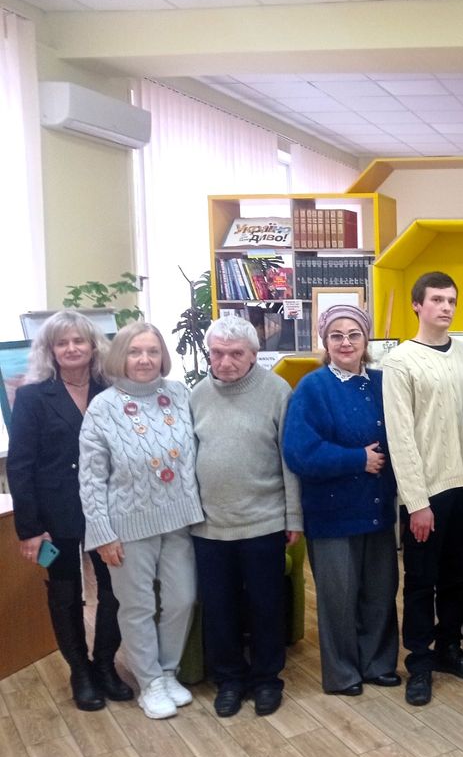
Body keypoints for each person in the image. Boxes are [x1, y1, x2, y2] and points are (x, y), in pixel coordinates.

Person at [8, 311, 134, 711]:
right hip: (54, 516)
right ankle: (80, 671)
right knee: (64, 593)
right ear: (50, 350)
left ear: (93, 345)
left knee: (114, 590)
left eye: (79, 340)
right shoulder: (32, 396)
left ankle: (105, 666)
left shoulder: (112, 389)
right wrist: (30, 529)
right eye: (62, 343)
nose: (71, 348)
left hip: (110, 510)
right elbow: (20, 465)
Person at [80, 322, 204, 720]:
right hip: (128, 526)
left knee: (182, 599)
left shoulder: (179, 394)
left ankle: (167, 672)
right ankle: (149, 682)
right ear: (122, 356)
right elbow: (91, 478)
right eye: (135, 352)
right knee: (137, 607)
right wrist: (101, 533)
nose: (145, 359)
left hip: (180, 520)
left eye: (152, 351)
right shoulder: (103, 407)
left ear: (162, 356)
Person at [282, 304, 400, 697]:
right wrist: (356, 460)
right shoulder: (312, 387)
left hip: (377, 508)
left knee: (380, 592)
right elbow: (299, 452)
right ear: (325, 342)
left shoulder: (383, 382)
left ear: (366, 340)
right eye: (336, 335)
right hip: (332, 513)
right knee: (338, 598)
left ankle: (379, 663)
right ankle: (343, 672)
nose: (346, 342)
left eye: (353, 334)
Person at [382, 272, 463, 708]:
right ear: (417, 306)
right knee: (421, 581)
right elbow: (400, 436)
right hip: (426, 493)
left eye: (451, 300)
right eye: (437, 300)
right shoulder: (400, 361)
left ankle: (449, 648)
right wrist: (416, 503)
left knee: (457, 576)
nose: (446, 308)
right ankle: (420, 662)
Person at [190, 316, 302, 718]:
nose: (225, 362)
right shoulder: (197, 395)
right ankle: (229, 680)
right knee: (219, 607)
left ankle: (267, 679)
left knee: (265, 605)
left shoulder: (277, 391)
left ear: (254, 354)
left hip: (264, 520)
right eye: (217, 353)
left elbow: (289, 460)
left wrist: (293, 516)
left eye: (236, 354)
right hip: (209, 525)